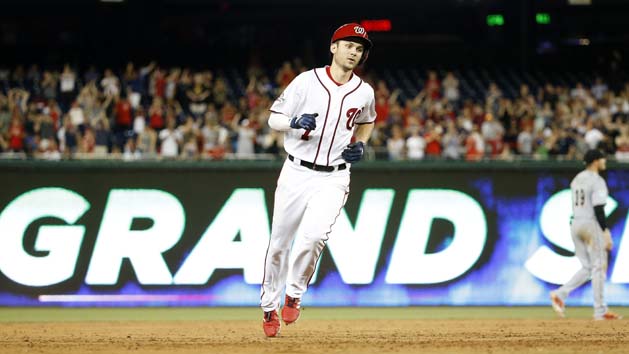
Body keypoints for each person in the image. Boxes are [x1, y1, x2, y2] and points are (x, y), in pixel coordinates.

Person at [260, 23, 376, 337]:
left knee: (312, 238)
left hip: (335, 176)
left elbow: (368, 120)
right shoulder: (306, 81)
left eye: (360, 48)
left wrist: (361, 143)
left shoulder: (364, 91)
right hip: (297, 170)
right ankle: (269, 307)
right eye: (349, 45)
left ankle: (294, 292)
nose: (354, 51)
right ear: (333, 47)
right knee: (279, 245)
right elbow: (273, 118)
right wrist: (293, 122)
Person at [550, 149, 622, 320]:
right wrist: (605, 232)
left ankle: (560, 294)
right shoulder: (597, 180)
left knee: (587, 267)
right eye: (602, 158)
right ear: (596, 161)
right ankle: (600, 311)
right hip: (590, 223)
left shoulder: (577, 178)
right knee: (598, 266)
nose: (605, 161)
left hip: (575, 223)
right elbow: (598, 208)